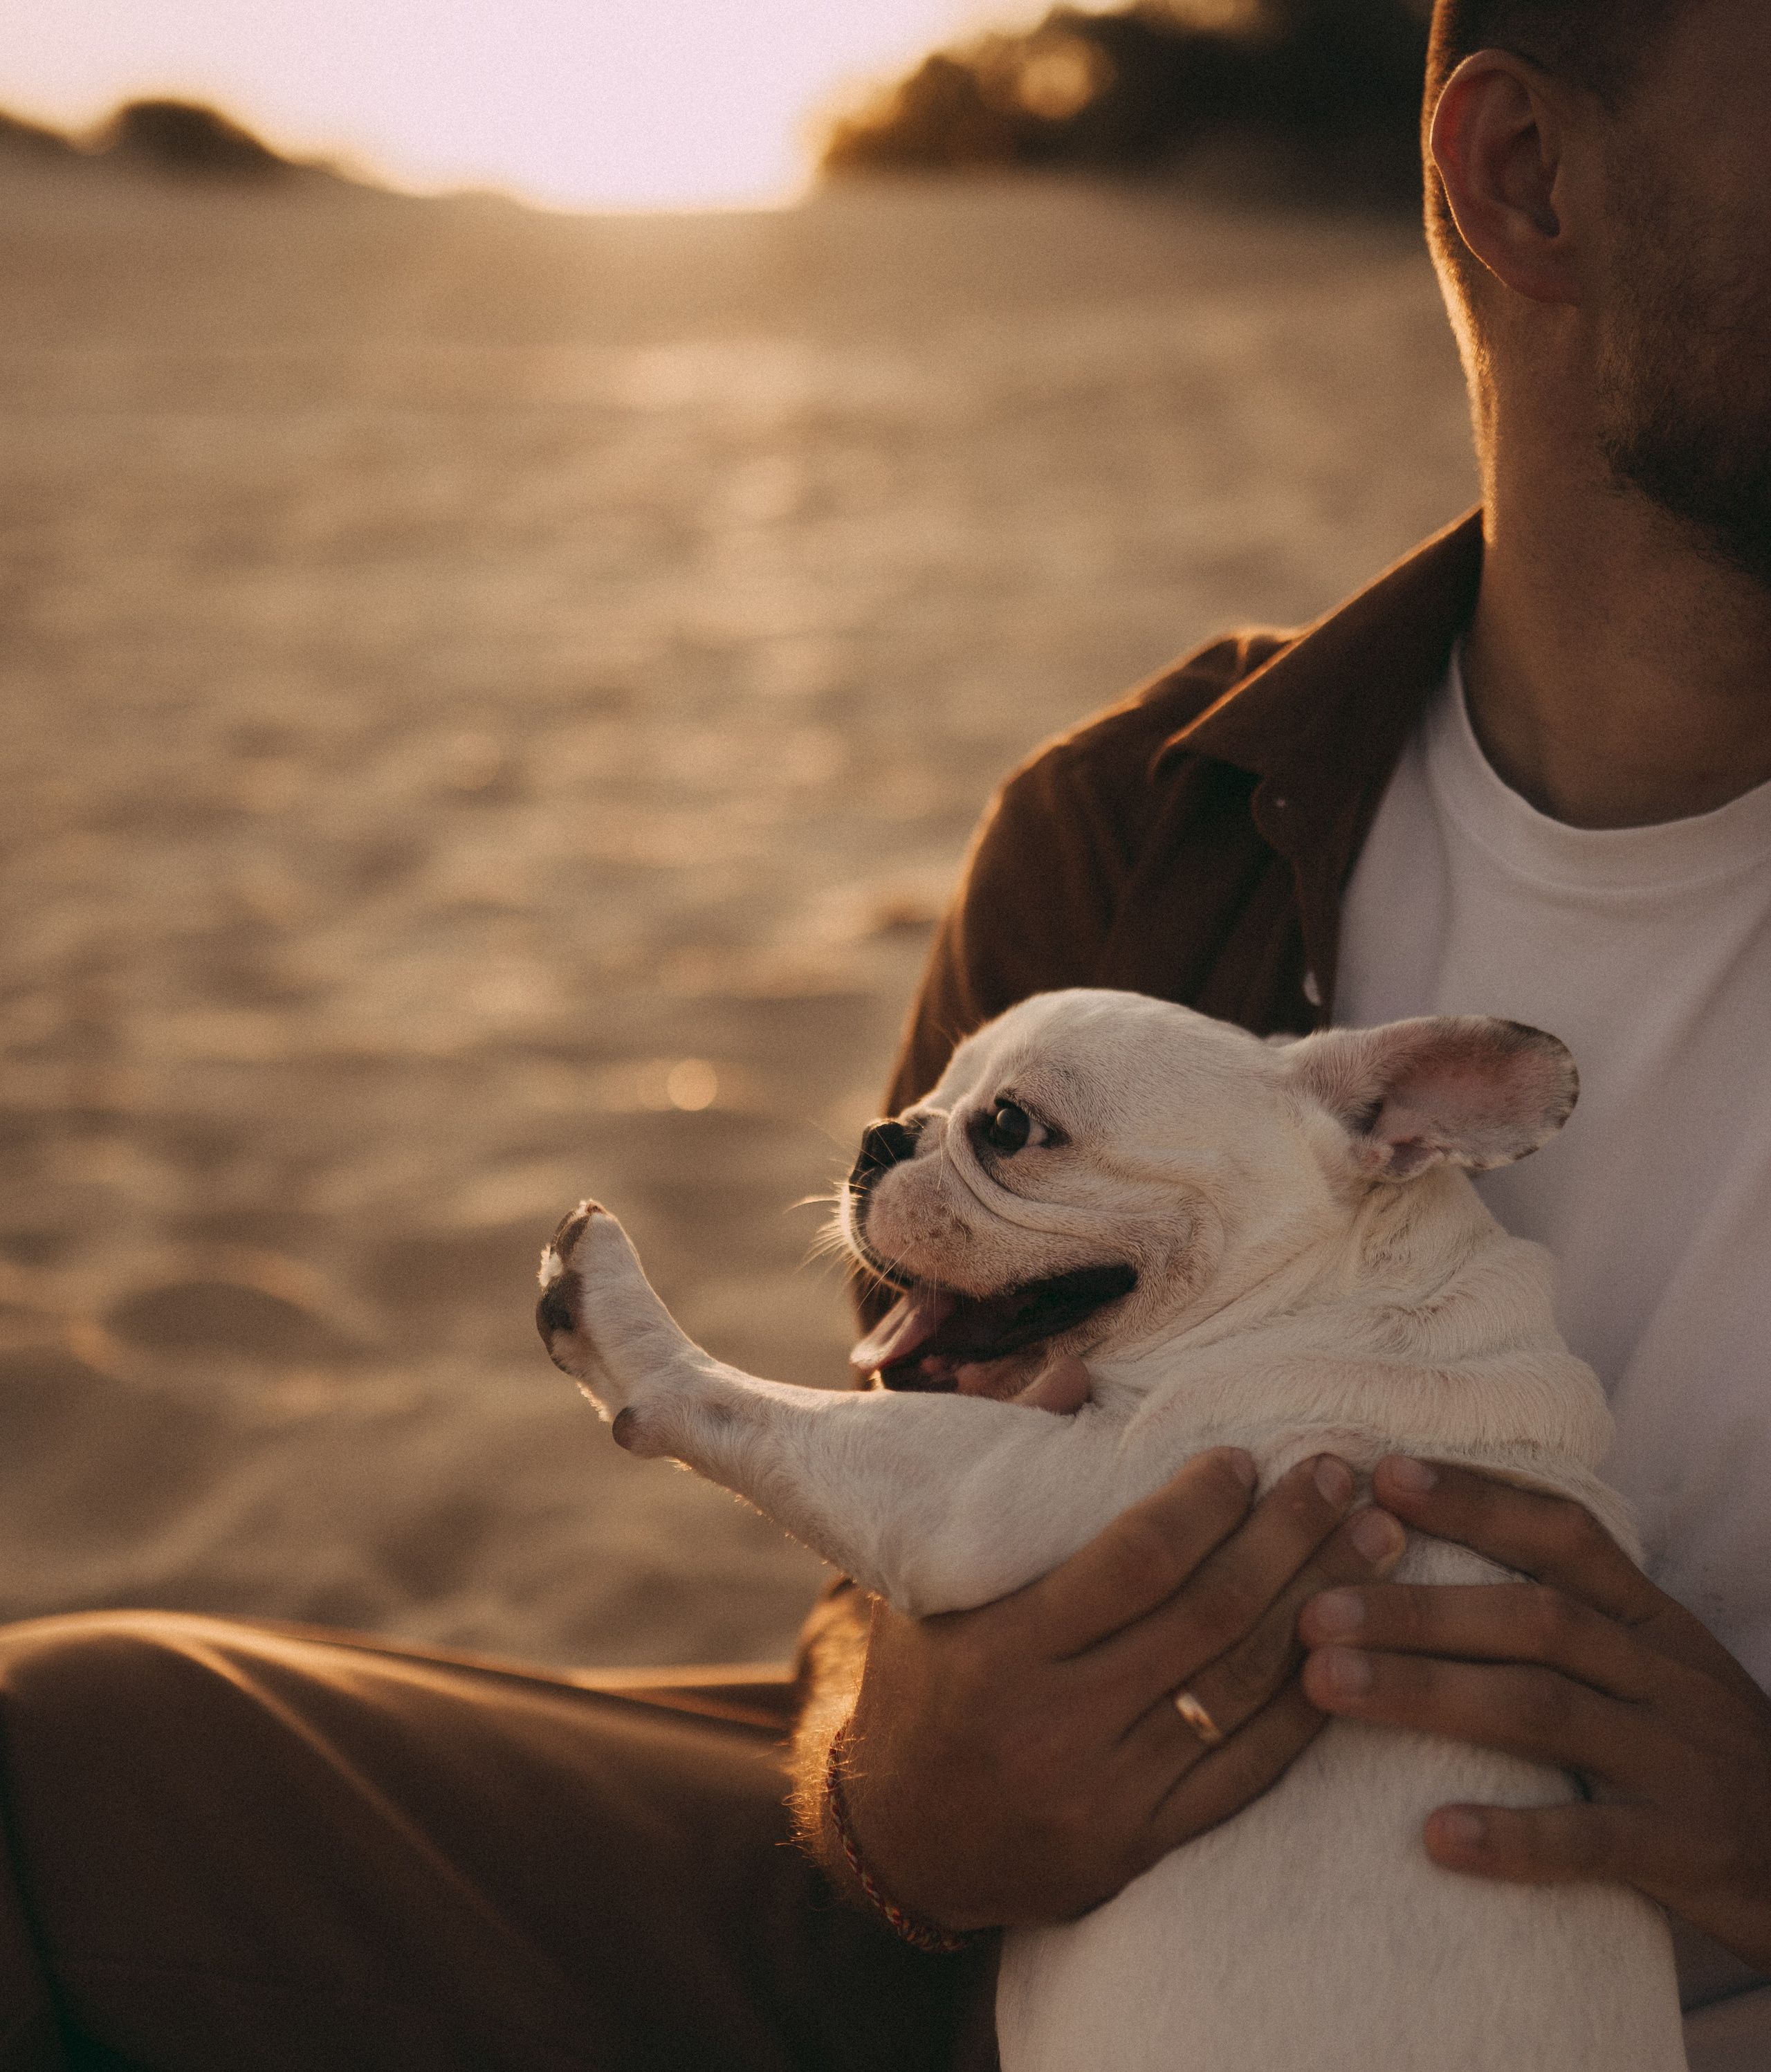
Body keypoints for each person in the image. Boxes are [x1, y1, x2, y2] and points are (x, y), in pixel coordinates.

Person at [3, 0, 1768, 2064]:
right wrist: (910, 1795)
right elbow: (872, 1599)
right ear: (1526, 179)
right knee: (72, 1763)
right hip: (1031, 1960)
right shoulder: (1144, 821)